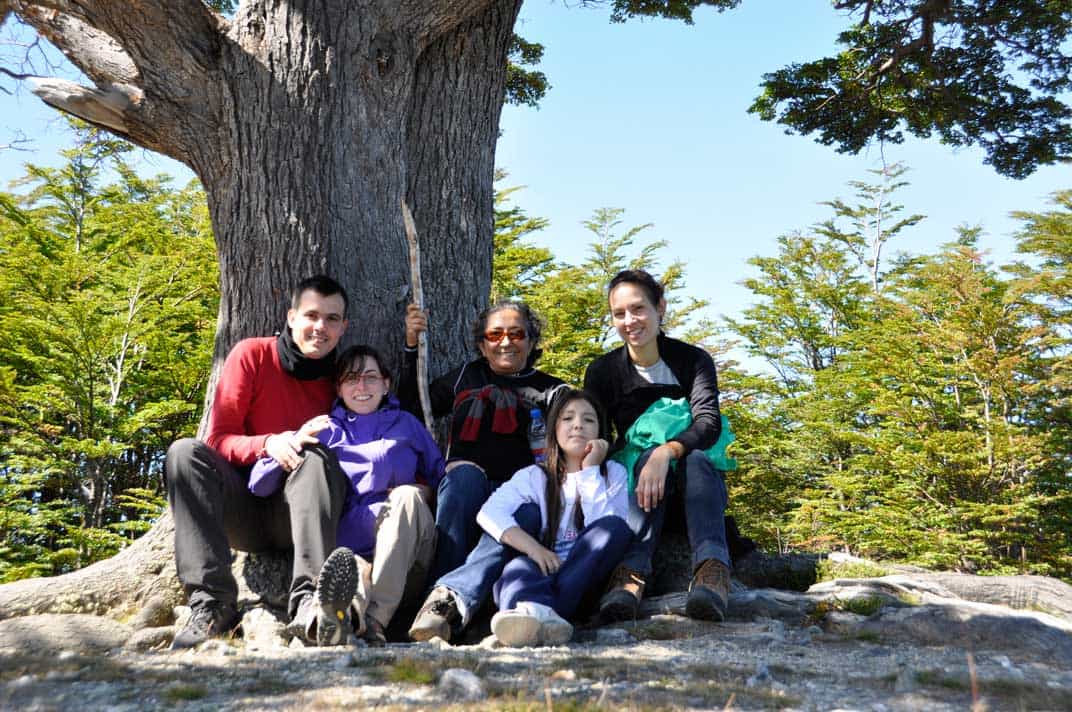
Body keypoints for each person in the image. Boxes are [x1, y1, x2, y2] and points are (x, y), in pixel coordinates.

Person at [165, 275, 359, 649]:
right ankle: (212, 605)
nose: (320, 328)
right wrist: (269, 443)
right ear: (290, 317)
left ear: (343, 326)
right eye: (311, 315)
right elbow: (219, 439)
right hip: (244, 510)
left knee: (316, 455)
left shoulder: (344, 378)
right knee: (184, 453)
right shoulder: (252, 355)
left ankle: (310, 604)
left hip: (302, 512)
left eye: (332, 319)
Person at [249, 345, 445, 646]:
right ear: (339, 388)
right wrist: (291, 443)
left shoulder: (406, 424)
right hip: (350, 553)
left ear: (386, 383)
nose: (362, 386)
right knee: (348, 569)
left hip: (409, 560)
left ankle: (374, 621)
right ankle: (334, 621)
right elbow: (259, 485)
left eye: (370, 377)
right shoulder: (324, 429)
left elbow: (443, 480)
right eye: (352, 378)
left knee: (406, 496)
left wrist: (427, 492)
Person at [399, 301, 567, 642]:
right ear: (481, 344)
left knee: (528, 513)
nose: (506, 342)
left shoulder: (553, 390)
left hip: (518, 492)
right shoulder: (466, 376)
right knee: (464, 480)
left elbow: (579, 431)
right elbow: (414, 406)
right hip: (467, 485)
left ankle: (447, 603)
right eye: (495, 334)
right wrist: (411, 347)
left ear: (532, 341)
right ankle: (436, 604)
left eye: (517, 333)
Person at [583, 269, 733, 623]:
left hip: (695, 485)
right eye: (619, 314)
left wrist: (667, 452)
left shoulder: (693, 361)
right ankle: (629, 576)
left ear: (660, 307)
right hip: (639, 490)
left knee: (696, 460)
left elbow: (708, 423)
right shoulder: (603, 371)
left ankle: (712, 574)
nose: (629, 321)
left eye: (638, 309)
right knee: (644, 455)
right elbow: (600, 431)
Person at [480, 389, 631, 646]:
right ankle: (538, 619)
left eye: (588, 420)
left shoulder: (613, 473)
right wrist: (535, 550)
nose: (578, 425)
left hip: (583, 579)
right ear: (553, 429)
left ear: (601, 431)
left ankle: (538, 617)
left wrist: (590, 469)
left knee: (614, 527)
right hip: (542, 575)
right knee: (518, 568)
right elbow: (489, 512)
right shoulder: (534, 475)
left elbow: (606, 528)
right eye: (567, 418)